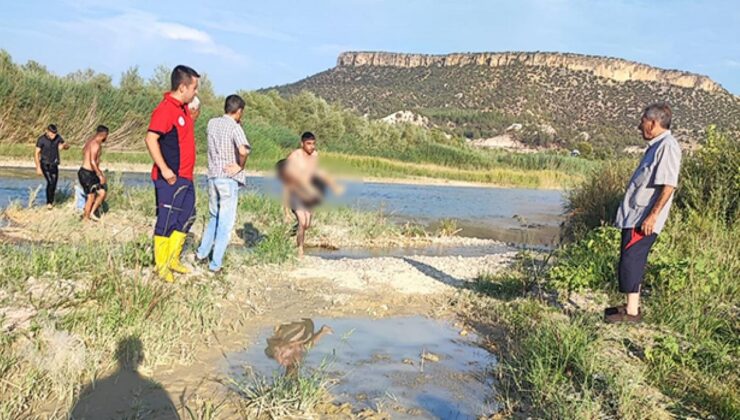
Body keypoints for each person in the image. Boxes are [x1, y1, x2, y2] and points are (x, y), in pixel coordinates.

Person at [605, 102, 682, 324]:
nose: (640, 126)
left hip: (644, 217)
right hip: (635, 215)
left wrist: (652, 216)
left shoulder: (667, 146)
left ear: (653, 123)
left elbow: (669, 185)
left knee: (631, 259)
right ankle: (631, 307)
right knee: (630, 259)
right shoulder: (656, 146)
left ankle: (631, 313)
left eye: (643, 122)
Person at [144, 65, 199, 283]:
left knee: (187, 216)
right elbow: (151, 139)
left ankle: (174, 259)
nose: (196, 93)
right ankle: (161, 266)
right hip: (170, 177)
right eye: (194, 88)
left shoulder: (183, 108)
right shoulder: (165, 109)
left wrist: (192, 117)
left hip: (186, 176)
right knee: (166, 220)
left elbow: (181, 134)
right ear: (183, 87)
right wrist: (165, 169)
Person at [195, 94, 251, 273]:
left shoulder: (212, 123)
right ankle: (215, 263)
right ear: (239, 111)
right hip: (228, 178)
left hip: (212, 176)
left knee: (214, 217)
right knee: (225, 223)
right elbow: (243, 149)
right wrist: (239, 167)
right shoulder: (234, 127)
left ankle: (201, 254)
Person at [280, 132, 342, 257]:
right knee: (303, 221)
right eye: (308, 144)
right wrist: (285, 210)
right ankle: (300, 250)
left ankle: (288, 234)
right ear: (302, 143)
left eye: (313, 144)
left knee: (306, 224)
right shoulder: (294, 156)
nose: (312, 146)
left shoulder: (315, 155)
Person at [34, 124, 70, 208]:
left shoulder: (58, 137)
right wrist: (38, 167)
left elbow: (67, 146)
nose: (53, 136)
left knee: (54, 184)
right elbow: (36, 153)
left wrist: (64, 146)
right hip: (44, 164)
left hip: (54, 164)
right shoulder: (41, 139)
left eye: (55, 134)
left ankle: (51, 201)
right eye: (52, 134)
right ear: (47, 131)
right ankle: (48, 203)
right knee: (50, 182)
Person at [78, 125, 109, 221]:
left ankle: (91, 213)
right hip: (86, 173)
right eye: (107, 135)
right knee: (91, 196)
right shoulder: (95, 144)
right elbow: (92, 161)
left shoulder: (90, 141)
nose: (106, 138)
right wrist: (100, 175)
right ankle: (86, 219)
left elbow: (84, 151)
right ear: (103, 135)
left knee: (102, 192)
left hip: (91, 173)